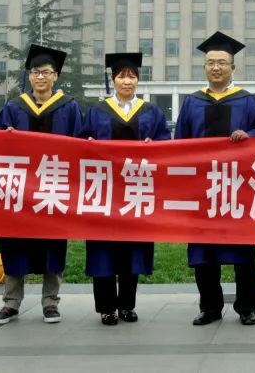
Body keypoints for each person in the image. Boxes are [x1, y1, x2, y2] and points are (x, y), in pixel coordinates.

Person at [175, 31, 255, 326]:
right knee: (204, 254)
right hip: (202, 190)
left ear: (232, 68)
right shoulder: (191, 103)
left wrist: (250, 136)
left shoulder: (248, 102)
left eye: (222, 63)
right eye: (211, 62)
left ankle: (247, 308)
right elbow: (179, 145)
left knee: (243, 253)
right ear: (204, 68)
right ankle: (210, 307)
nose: (216, 67)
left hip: (238, 189)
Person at [0, 45, 82, 326]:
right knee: (14, 243)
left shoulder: (69, 106)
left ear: (55, 76)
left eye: (46, 72)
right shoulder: (13, 107)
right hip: (19, 189)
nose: (40, 77)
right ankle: (11, 303)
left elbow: (79, 144)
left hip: (54, 188)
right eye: (35, 72)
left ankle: (50, 303)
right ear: (29, 77)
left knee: (53, 244)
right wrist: (4, 136)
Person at [78, 52, 170, 326]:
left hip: (136, 189)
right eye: (121, 76)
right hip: (104, 190)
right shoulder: (97, 111)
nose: (126, 81)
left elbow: (166, 144)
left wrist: (156, 145)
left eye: (131, 76)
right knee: (104, 248)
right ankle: (107, 307)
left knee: (133, 247)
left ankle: (127, 305)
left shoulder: (151, 111)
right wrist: (89, 143)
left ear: (138, 80)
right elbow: (80, 142)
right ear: (113, 79)